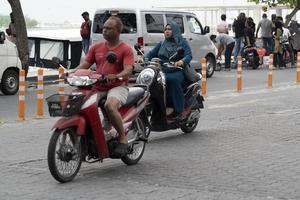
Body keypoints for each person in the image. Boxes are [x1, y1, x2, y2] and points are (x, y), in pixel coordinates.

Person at [70, 16, 134, 156]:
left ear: (118, 31)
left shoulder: (126, 49)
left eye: (109, 28)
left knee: (109, 106)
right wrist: (71, 72)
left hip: (118, 86)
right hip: (98, 86)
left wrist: (116, 76)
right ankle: (92, 136)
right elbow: (85, 64)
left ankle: (123, 138)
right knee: (81, 104)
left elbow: (128, 69)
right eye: (104, 28)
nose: (104, 30)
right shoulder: (96, 47)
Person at [144, 22, 192, 118]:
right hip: (162, 70)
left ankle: (179, 109)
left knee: (172, 80)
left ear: (175, 31)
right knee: (151, 81)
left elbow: (189, 55)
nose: (167, 31)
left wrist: (181, 61)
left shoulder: (182, 42)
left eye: (170, 29)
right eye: (165, 29)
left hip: (177, 70)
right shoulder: (162, 43)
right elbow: (151, 53)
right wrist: (144, 58)